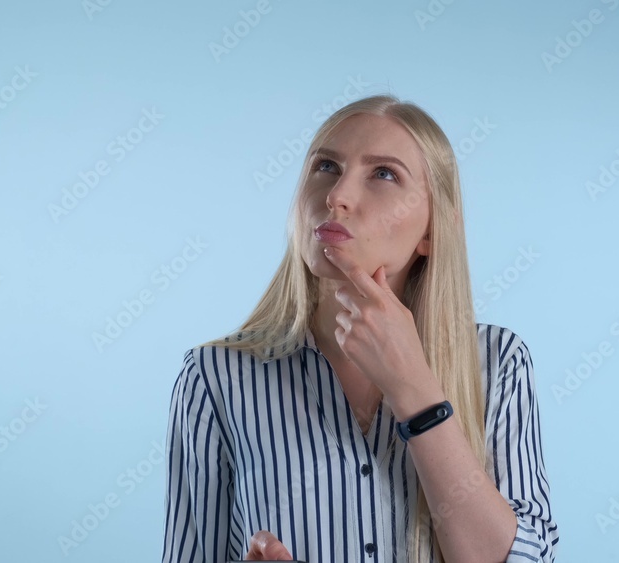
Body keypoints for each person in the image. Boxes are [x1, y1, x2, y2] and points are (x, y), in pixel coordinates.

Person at [162, 94, 559, 562]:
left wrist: (415, 389)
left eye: (384, 174)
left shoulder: (497, 362)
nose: (337, 196)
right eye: (326, 167)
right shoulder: (215, 377)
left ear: (432, 231)